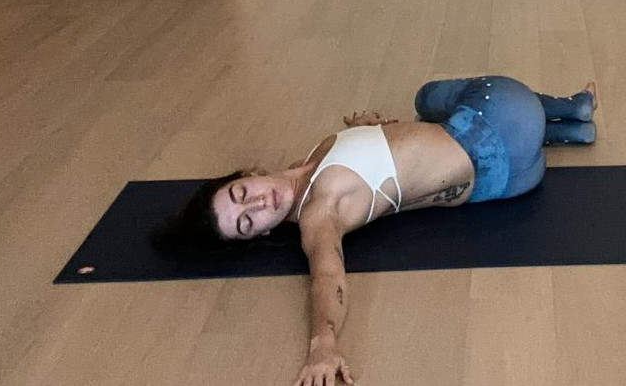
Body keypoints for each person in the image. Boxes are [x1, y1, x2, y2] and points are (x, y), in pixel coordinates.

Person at [151, 75, 598, 386]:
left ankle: (567, 134)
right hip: (500, 128)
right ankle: (568, 108)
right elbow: (327, 275)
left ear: (245, 174)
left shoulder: (309, 162)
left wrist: (368, 131)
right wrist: (322, 344)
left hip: (511, 183)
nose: (257, 204)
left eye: (241, 193)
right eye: (248, 223)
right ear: (262, 235)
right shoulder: (318, 211)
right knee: (428, 96)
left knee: (435, 119)